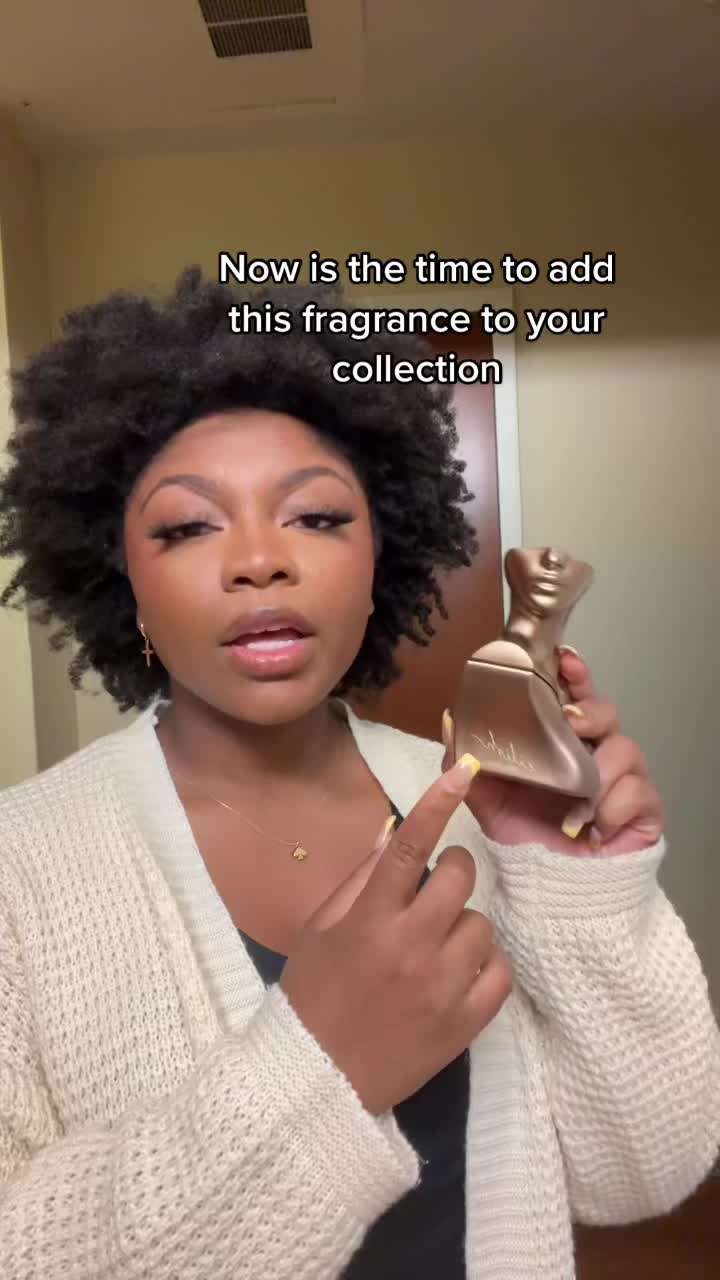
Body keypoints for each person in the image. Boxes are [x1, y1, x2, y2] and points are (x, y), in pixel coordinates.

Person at [0, 267, 717, 1280]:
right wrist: (322, 1067)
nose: (259, 560)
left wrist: (582, 894)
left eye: (317, 518)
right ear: (126, 587)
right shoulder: (18, 867)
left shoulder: (483, 805)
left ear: (382, 560)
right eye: (188, 526)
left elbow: (640, 1175)